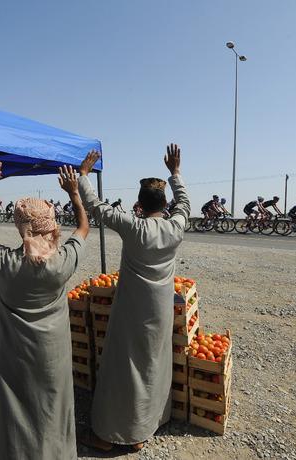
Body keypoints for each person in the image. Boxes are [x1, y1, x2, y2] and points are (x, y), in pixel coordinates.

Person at [0, 159, 89, 460]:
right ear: (52, 225)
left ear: (21, 228)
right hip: (52, 356)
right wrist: (73, 192)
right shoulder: (63, 261)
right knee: (51, 413)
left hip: (12, 358)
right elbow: (84, 227)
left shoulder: (4, 262)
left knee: (12, 417)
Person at [75, 144, 190, 452]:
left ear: (138, 204)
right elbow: (185, 205)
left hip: (131, 311)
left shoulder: (134, 227)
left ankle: (107, 436)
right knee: (152, 366)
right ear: (164, 203)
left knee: (122, 369)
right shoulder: (175, 227)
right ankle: (141, 431)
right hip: (161, 309)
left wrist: (83, 175)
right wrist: (175, 172)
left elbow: (96, 207)